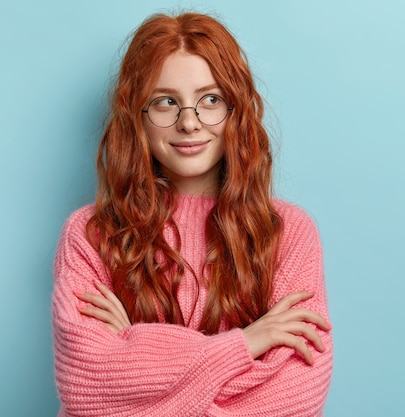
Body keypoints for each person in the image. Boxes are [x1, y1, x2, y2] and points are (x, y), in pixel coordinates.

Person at [51, 12, 333, 417]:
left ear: (235, 110)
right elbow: (87, 388)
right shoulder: (89, 233)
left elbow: (294, 400)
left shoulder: (288, 233)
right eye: (166, 102)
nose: (189, 122)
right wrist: (246, 344)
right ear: (138, 117)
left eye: (210, 100)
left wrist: (134, 347)